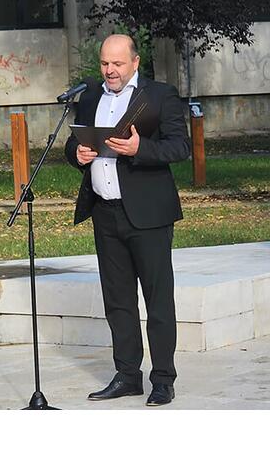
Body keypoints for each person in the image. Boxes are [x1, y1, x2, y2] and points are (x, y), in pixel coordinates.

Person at [64, 33, 191, 407]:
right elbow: (75, 142)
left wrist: (140, 148)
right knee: (118, 300)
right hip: (105, 213)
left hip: (148, 216)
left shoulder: (159, 95)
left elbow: (180, 146)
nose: (110, 70)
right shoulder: (91, 96)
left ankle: (163, 379)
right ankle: (127, 375)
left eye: (117, 63)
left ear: (135, 62)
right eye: (105, 63)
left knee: (157, 300)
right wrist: (77, 153)